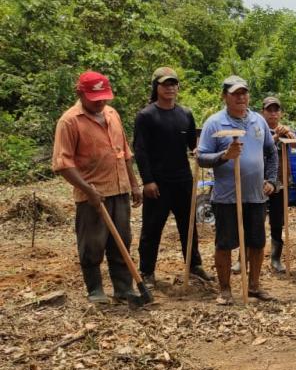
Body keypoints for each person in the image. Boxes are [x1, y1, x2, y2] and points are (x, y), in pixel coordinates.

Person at [52, 71, 144, 304]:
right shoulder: (69, 121)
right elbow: (63, 164)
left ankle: (124, 288)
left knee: (122, 241)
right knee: (92, 245)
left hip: (120, 190)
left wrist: (133, 183)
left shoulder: (112, 114)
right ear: (80, 93)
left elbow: (125, 153)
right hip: (93, 195)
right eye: (96, 98)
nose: (101, 102)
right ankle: (95, 290)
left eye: (104, 97)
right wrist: (88, 190)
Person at [197, 76, 278, 304]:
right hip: (227, 197)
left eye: (244, 93)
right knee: (225, 243)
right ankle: (224, 290)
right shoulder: (214, 123)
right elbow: (201, 158)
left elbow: (271, 153)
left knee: (257, 242)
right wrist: (224, 156)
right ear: (225, 96)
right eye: (235, 93)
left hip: (256, 195)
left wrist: (271, 179)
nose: (241, 97)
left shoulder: (258, 121)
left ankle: (254, 285)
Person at [133, 67, 209, 288]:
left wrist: (199, 151)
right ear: (156, 87)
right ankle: (146, 271)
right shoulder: (146, 116)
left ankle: (194, 265)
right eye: (165, 84)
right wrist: (147, 180)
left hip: (183, 180)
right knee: (152, 227)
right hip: (158, 182)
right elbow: (140, 150)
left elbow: (194, 146)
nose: (170, 88)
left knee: (189, 225)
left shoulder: (185, 114)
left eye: (174, 84)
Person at [261, 96, 296, 273]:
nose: (273, 114)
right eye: (269, 110)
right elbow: (259, 148)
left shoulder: (285, 130)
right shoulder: (258, 129)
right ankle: (244, 258)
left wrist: (290, 135)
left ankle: (275, 258)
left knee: (277, 221)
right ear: (263, 112)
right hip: (260, 181)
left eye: (276, 110)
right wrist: (275, 136)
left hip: (280, 182)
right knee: (254, 220)